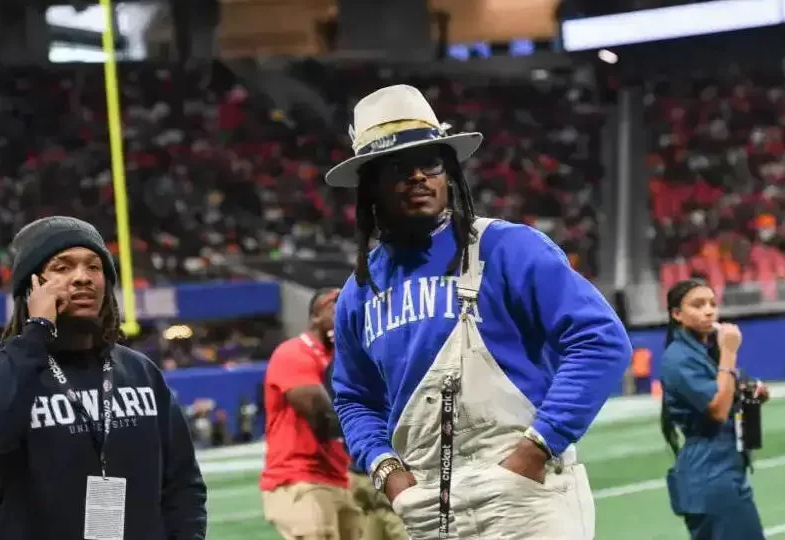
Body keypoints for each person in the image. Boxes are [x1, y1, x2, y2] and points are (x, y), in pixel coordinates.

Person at [326, 84, 632, 539]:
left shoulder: (509, 248)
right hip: (427, 504)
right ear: (371, 186)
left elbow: (601, 342)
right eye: (397, 167)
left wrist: (536, 449)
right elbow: (354, 397)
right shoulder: (359, 292)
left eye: (429, 162)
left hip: (527, 493)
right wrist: (388, 471)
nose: (417, 177)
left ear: (448, 172)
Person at [0, 216, 207, 540]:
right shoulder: (4, 372)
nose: (82, 278)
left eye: (94, 267)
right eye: (63, 267)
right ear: (32, 286)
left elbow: (183, 483)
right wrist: (37, 330)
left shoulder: (140, 372)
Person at [659, 279, 770, 540]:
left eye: (712, 304)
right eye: (698, 305)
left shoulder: (706, 351)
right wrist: (729, 354)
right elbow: (717, 410)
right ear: (677, 314)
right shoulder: (678, 358)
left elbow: (730, 391)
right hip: (710, 477)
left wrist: (752, 392)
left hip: (725, 472)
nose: (709, 311)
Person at [260, 287, 363, 540]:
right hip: (299, 477)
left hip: (340, 476)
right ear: (315, 317)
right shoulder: (294, 353)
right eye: (335, 305)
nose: (345, 310)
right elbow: (324, 419)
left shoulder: (346, 357)